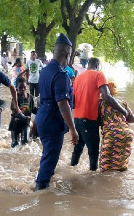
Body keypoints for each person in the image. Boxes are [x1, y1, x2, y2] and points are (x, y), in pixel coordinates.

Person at [35, 33, 79, 191]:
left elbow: (42, 97)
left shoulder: (45, 70)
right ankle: (41, 192)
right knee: (50, 157)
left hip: (42, 117)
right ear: (67, 54)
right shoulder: (61, 74)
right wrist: (73, 130)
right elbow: (63, 104)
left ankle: (45, 181)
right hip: (52, 120)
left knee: (48, 154)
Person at [71, 57, 129, 171]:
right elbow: (107, 97)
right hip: (88, 119)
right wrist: (124, 111)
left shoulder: (78, 79)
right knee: (93, 152)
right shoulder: (99, 75)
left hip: (77, 118)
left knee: (78, 148)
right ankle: (93, 179)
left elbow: (72, 101)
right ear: (97, 65)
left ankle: (72, 169)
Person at [99, 82, 134, 172]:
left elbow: (96, 120)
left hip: (112, 134)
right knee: (122, 165)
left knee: (105, 167)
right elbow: (132, 119)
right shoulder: (122, 103)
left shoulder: (100, 103)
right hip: (128, 133)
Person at [8, 77, 35, 147]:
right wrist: (25, 117)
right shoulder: (15, 98)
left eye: (24, 87)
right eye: (20, 87)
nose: (23, 89)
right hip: (15, 123)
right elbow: (14, 113)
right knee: (15, 143)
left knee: (25, 142)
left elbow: (33, 110)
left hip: (25, 123)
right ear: (16, 88)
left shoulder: (30, 98)